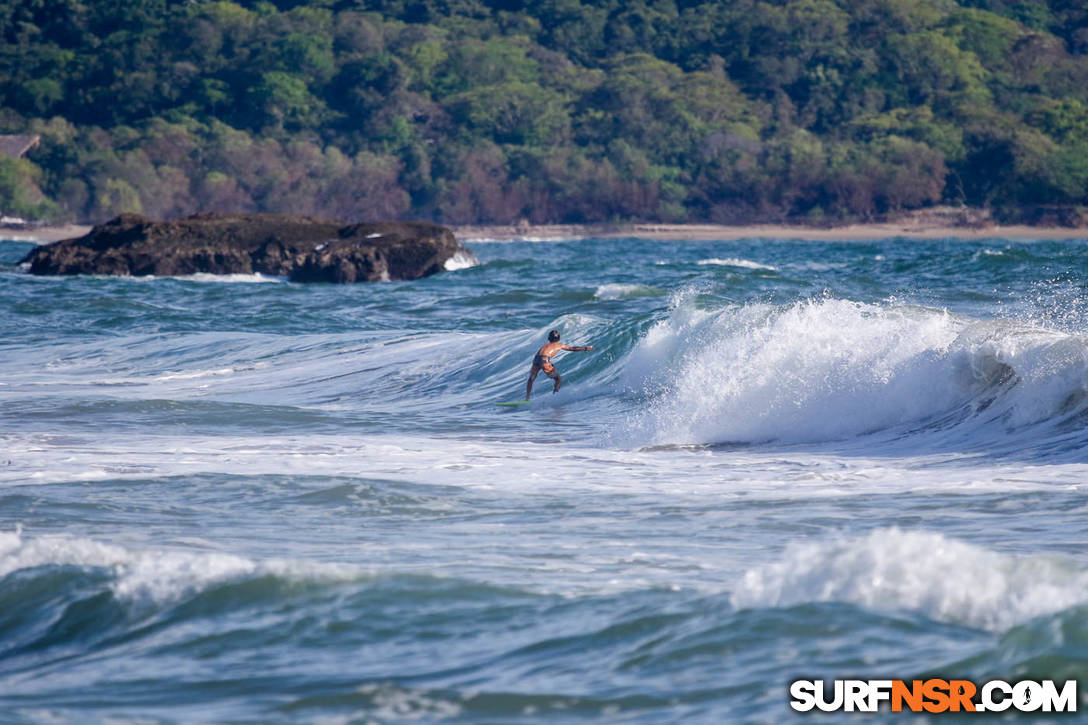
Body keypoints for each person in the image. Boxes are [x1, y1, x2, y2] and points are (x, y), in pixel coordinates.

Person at [526, 329, 594, 400]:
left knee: (531, 379)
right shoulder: (559, 345)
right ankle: (555, 397)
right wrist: (585, 348)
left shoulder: (545, 346)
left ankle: (527, 398)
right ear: (559, 338)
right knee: (558, 379)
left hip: (536, 360)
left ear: (549, 338)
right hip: (544, 360)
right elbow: (572, 348)